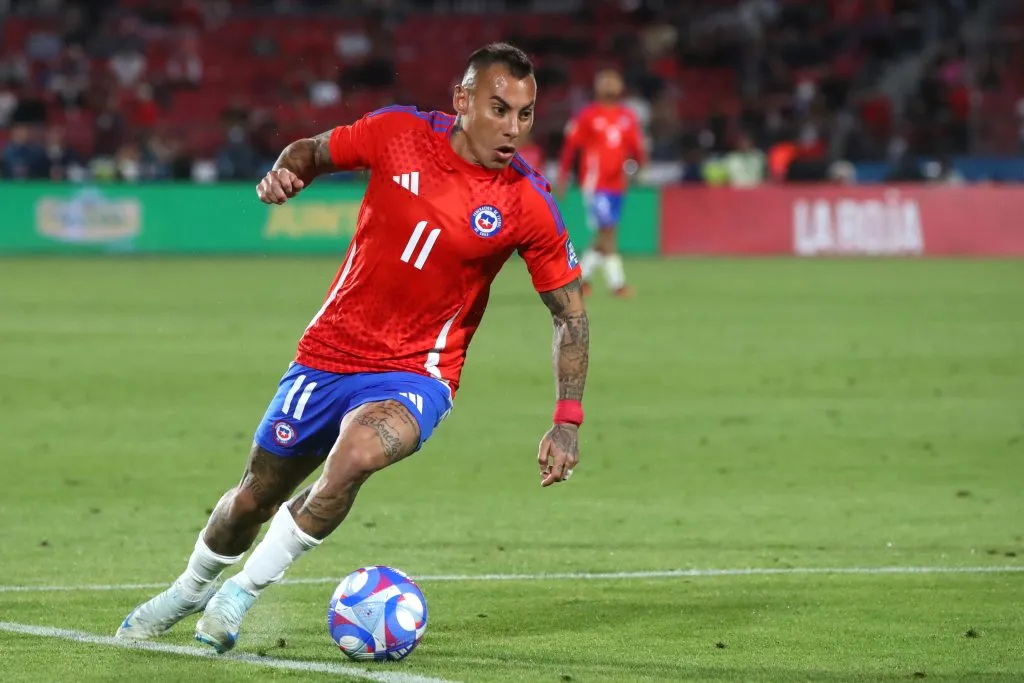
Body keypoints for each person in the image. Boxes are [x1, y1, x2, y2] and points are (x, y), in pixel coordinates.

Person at [114, 42, 590, 654]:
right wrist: (288, 172)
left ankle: (241, 594)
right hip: (329, 353)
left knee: (357, 456)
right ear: (463, 100)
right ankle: (186, 592)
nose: (513, 128)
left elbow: (570, 316)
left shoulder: (529, 202)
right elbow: (311, 151)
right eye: (499, 109)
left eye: (525, 114)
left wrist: (567, 420)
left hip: (418, 371)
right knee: (253, 497)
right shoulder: (398, 133)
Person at [555, 68, 647, 298]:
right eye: (605, 81)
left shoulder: (627, 116)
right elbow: (570, 147)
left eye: (613, 81)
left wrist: (641, 164)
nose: (609, 85)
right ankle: (617, 285)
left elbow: (636, 146)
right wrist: (563, 177)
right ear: (597, 87)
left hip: (618, 184)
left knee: (607, 233)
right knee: (608, 232)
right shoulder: (588, 115)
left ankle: (580, 278)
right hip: (596, 183)